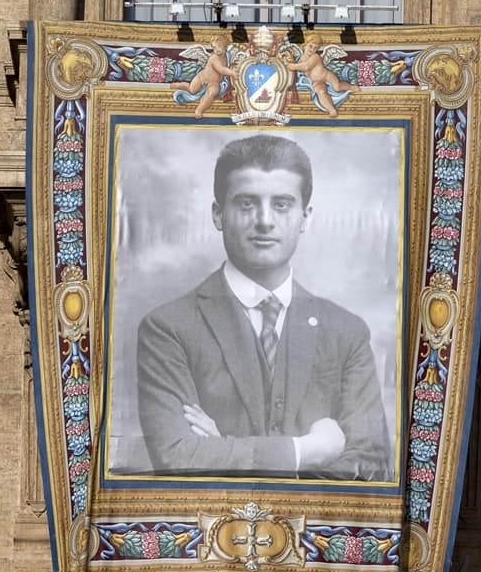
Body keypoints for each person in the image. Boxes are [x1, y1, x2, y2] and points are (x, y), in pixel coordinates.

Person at [134, 134, 390, 480]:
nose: (265, 220)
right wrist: (306, 452)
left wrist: (224, 451)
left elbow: (371, 466)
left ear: (306, 217)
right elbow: (177, 455)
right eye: (246, 203)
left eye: (282, 204)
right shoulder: (169, 327)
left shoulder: (346, 332)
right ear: (218, 214)